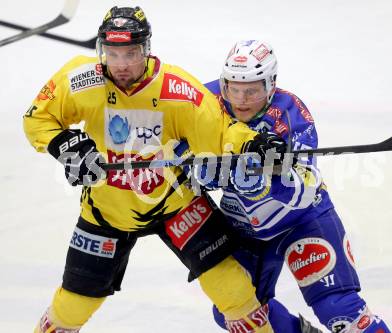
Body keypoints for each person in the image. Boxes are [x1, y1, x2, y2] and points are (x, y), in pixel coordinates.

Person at [23, 8, 290, 333]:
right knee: (71, 307)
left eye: (131, 53)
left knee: (234, 290)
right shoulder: (81, 80)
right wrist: (65, 145)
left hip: (176, 204)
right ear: (101, 49)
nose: (121, 64)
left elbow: (221, 132)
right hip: (107, 211)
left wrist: (255, 144)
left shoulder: (177, 90)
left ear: (146, 49)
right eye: (113, 53)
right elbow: (38, 118)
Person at [192, 40, 392, 333]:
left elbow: (305, 186)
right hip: (244, 229)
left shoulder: (291, 113)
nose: (241, 99)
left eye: (252, 90)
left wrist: (270, 175)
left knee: (338, 310)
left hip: (303, 221)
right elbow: (172, 131)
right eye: (232, 88)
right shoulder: (205, 99)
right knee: (237, 313)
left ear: (271, 84)